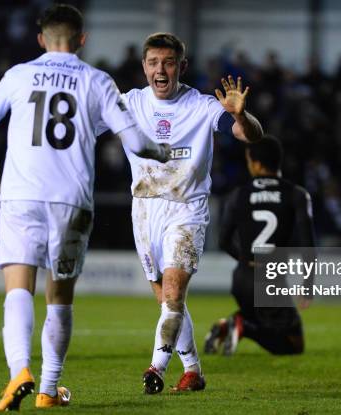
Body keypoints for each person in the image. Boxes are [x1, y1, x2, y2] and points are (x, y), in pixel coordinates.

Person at [0, 5, 169, 411]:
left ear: (41, 39)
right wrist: (164, 152)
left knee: (18, 286)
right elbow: (137, 143)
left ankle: (19, 371)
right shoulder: (97, 81)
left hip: (21, 195)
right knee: (59, 297)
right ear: (82, 39)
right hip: (71, 200)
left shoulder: (17, 75)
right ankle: (47, 389)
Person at [117, 32, 263, 393]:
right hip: (145, 210)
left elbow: (250, 136)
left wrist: (242, 115)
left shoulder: (201, 105)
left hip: (187, 209)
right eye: (153, 63)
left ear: (181, 66)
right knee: (167, 302)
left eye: (168, 62)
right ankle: (193, 370)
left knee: (173, 293)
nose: (160, 70)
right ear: (144, 67)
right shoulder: (129, 103)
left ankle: (156, 369)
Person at [205, 135, 316, 356]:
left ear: (255, 163)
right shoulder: (296, 195)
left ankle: (235, 323)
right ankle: (244, 327)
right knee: (293, 344)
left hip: (241, 280)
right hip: (271, 282)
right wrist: (308, 285)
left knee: (261, 315)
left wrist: (247, 261)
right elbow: (307, 245)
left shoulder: (238, 195)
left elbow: (223, 241)